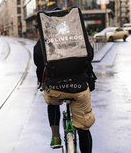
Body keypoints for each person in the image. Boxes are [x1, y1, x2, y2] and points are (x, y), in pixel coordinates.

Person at [33, 8, 96, 153]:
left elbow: (39, 68)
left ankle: (55, 136)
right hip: (79, 87)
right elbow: (89, 56)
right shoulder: (77, 37)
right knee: (84, 126)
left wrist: (41, 83)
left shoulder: (41, 44)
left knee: (51, 99)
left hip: (55, 89)